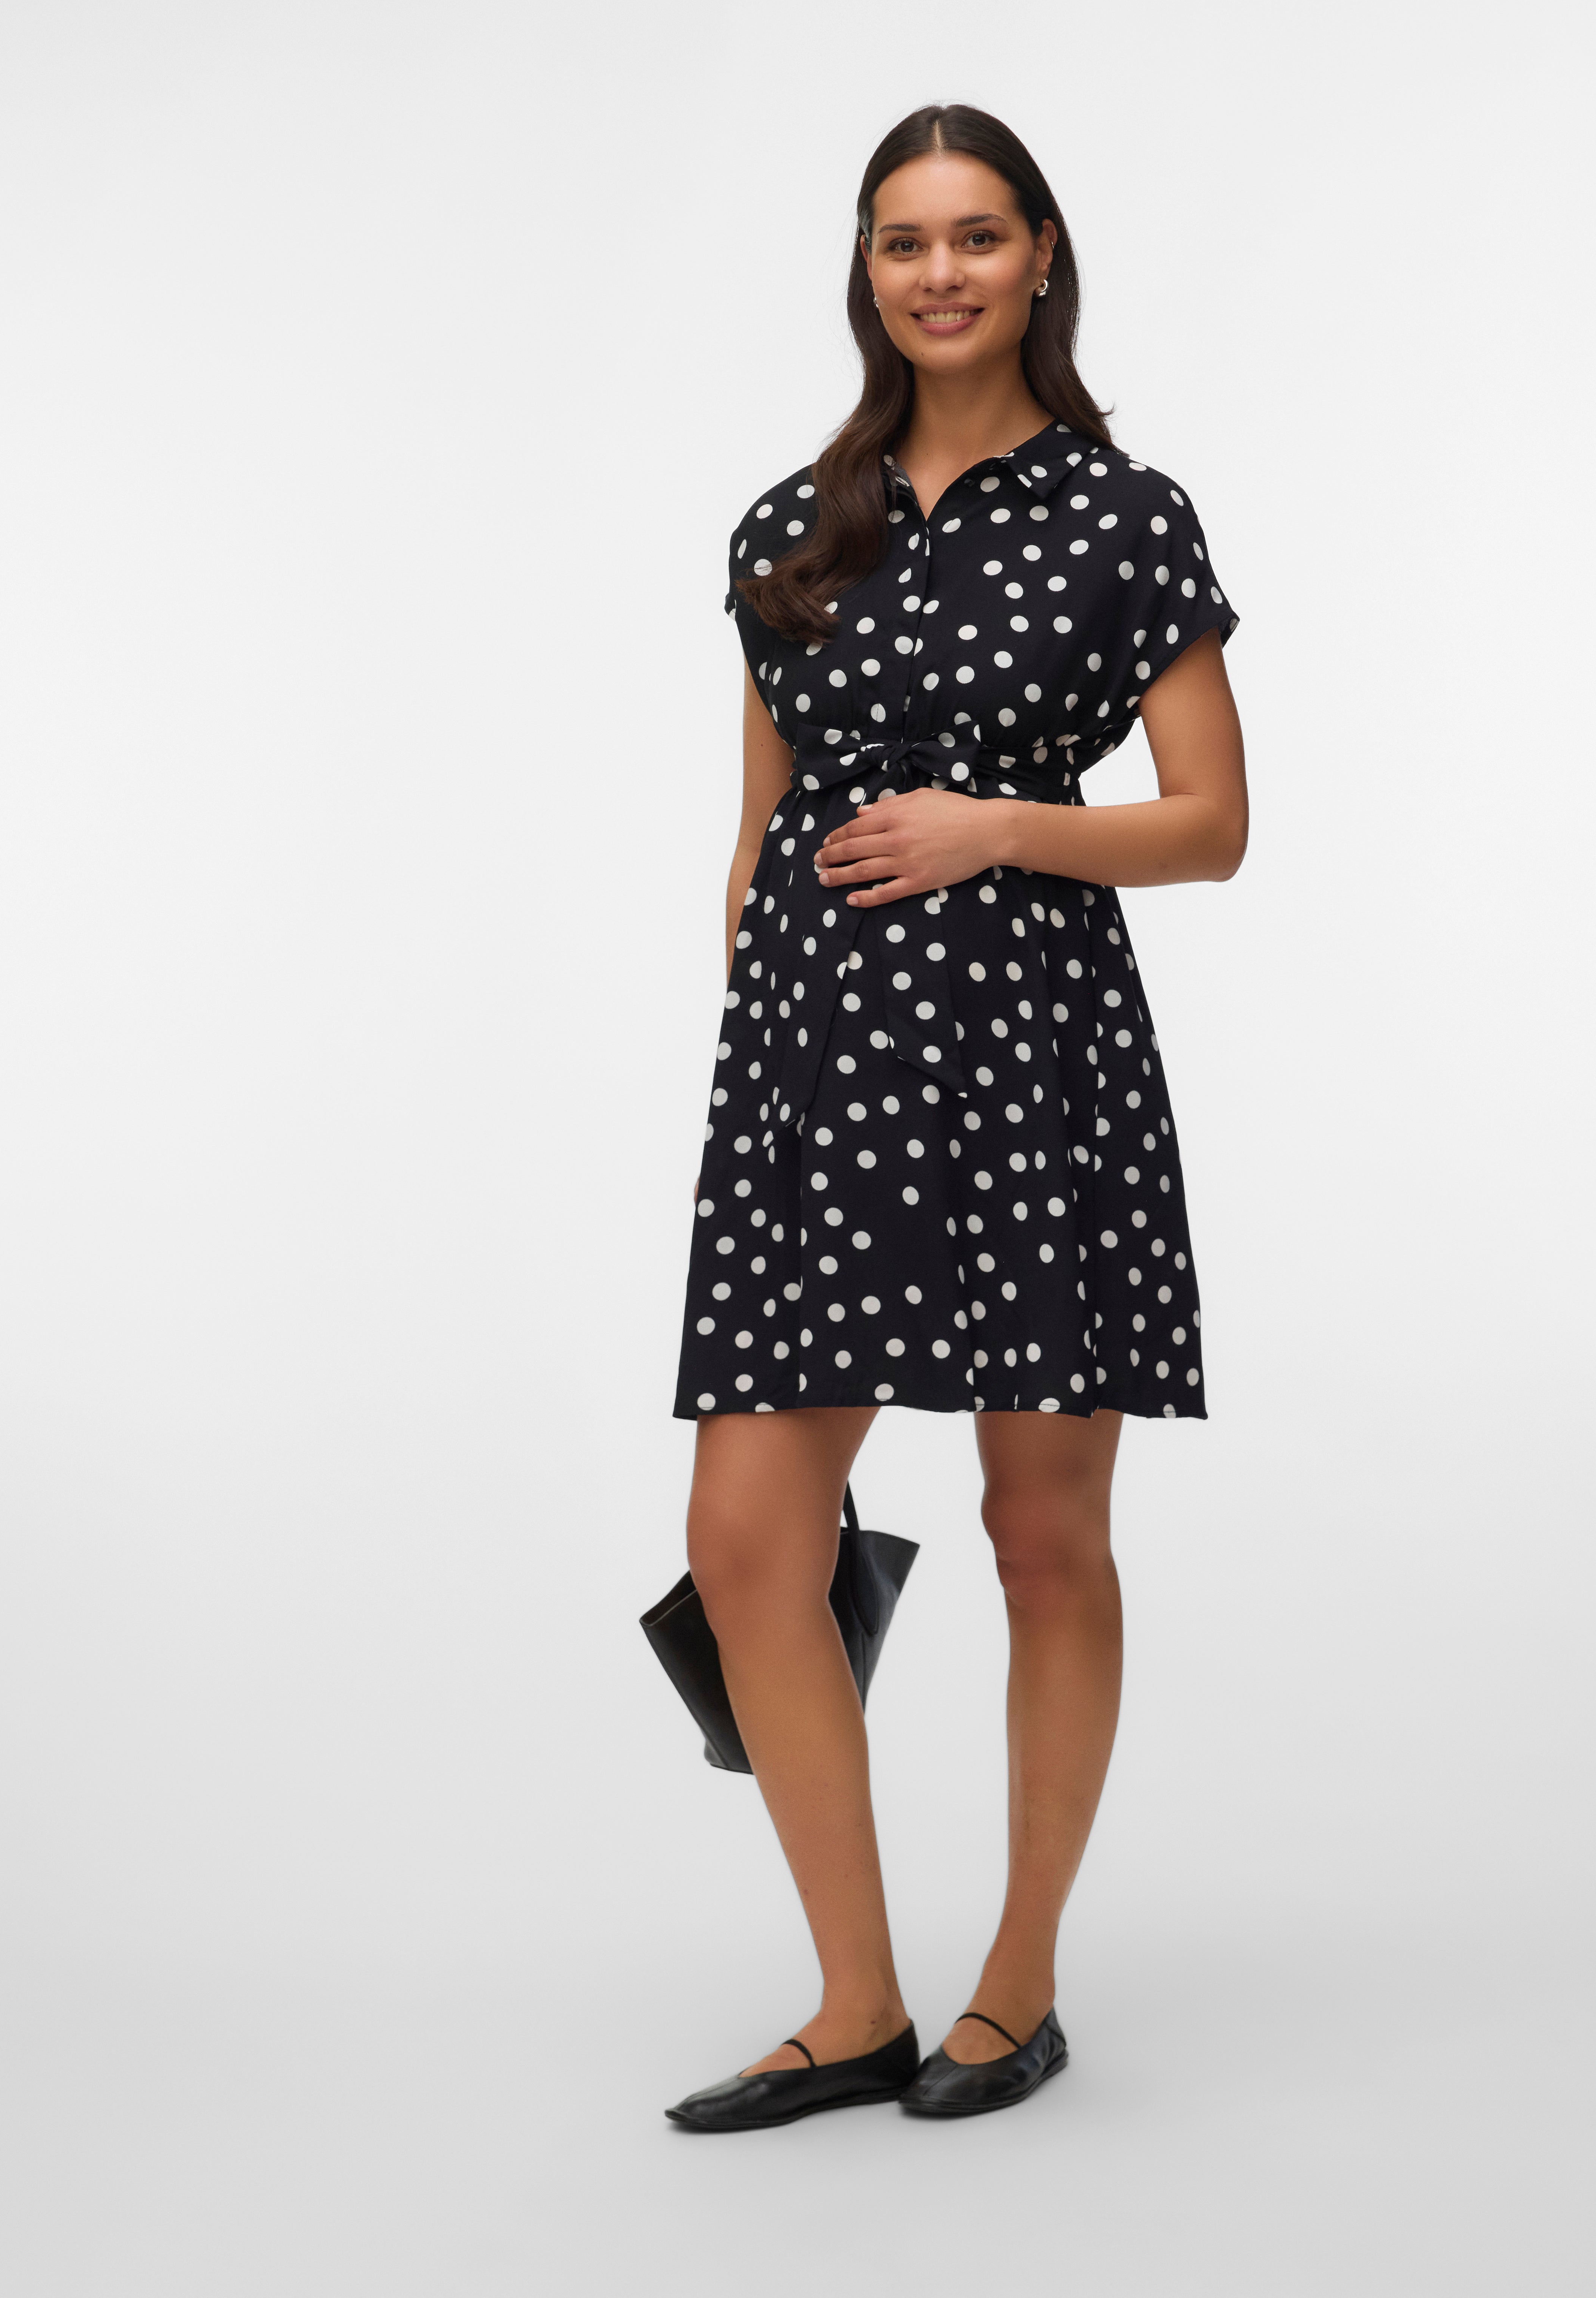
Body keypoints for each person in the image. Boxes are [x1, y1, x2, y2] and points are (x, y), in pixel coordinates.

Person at [664, 103, 1248, 2131]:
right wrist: (763, 1054)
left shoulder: (1123, 515)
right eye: (904, 240)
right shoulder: (788, 523)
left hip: (1028, 1054)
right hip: (819, 1075)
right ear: (867, 268)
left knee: (1042, 1528)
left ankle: (1020, 1984)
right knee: (747, 1532)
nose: (940, 273)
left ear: (1041, 256)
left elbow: (1213, 823)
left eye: (977, 235)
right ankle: (855, 2006)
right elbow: (758, 834)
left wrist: (998, 826)